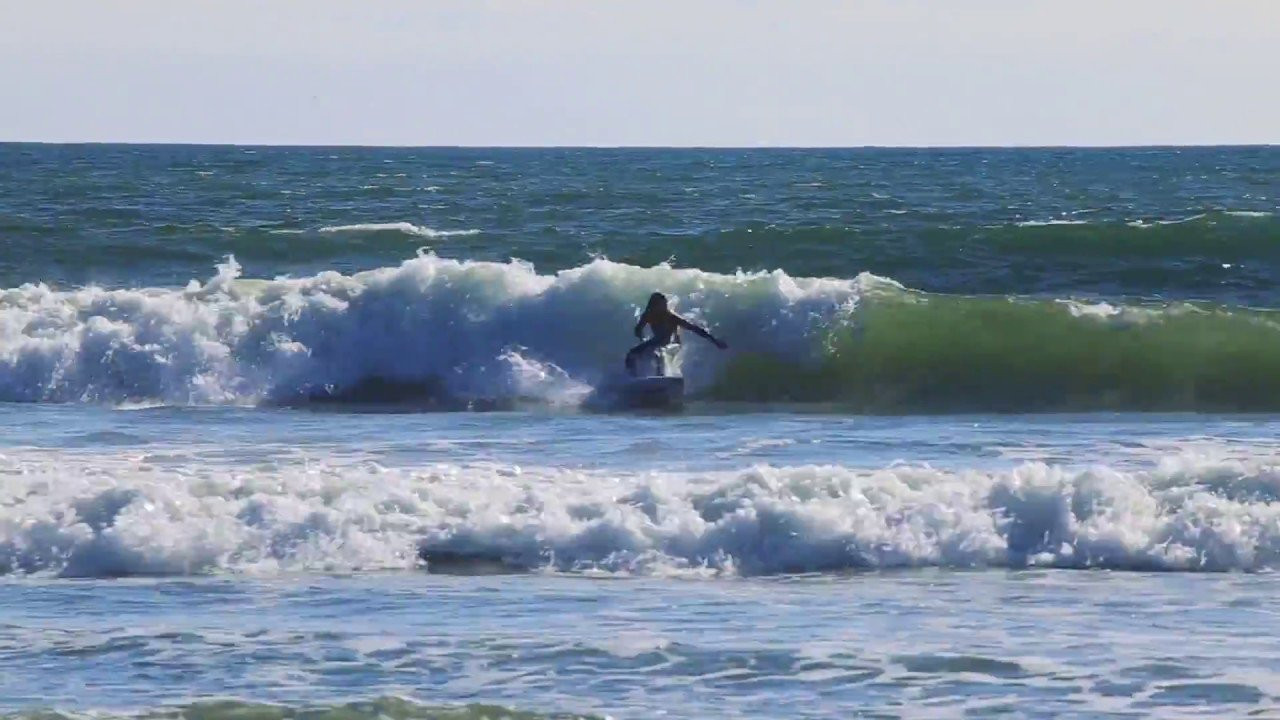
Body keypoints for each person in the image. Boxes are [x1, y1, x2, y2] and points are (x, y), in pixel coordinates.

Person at [625, 292, 727, 376]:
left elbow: (695, 329)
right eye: (662, 305)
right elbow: (638, 330)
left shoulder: (671, 317)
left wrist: (715, 341)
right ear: (654, 306)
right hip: (656, 342)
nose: (665, 307)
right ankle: (632, 378)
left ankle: (661, 378)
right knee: (631, 354)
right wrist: (642, 338)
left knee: (658, 353)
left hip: (672, 344)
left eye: (665, 304)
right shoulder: (648, 315)